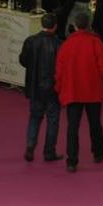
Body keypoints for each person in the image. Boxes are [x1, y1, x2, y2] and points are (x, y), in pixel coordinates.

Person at [55, 12, 103, 173]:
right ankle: (98, 152)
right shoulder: (96, 43)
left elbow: (59, 70)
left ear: (74, 25)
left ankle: (72, 160)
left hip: (73, 91)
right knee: (95, 123)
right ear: (89, 25)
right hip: (93, 90)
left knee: (72, 126)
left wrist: (59, 88)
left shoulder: (66, 45)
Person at [19, 13, 63, 163]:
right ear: (55, 26)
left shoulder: (31, 41)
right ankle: (49, 151)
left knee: (35, 117)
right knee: (53, 120)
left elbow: (23, 60)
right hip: (52, 88)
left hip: (35, 86)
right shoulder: (58, 44)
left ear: (41, 24)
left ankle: (30, 145)